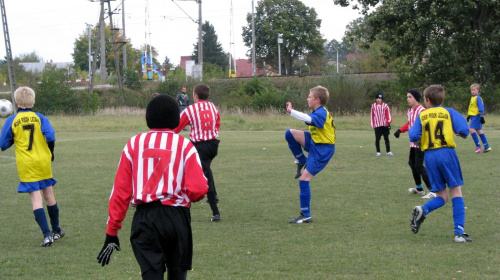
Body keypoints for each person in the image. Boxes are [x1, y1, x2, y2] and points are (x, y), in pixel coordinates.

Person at [97, 95, 208, 279]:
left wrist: (112, 230)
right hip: (176, 217)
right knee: (178, 273)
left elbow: (120, 191)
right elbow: (198, 189)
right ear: (175, 119)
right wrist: (189, 196)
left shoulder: (133, 144)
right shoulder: (185, 145)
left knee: (151, 275)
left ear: (148, 118)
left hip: (145, 218)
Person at [0, 86, 65, 247]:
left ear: (16, 102)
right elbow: (50, 136)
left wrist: (14, 139)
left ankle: (47, 235)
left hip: (27, 163)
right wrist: (51, 152)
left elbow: (3, 144)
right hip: (43, 161)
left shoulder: (12, 120)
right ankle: (56, 230)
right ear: (33, 101)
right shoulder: (40, 117)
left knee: (36, 199)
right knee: (49, 195)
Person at [408, 85, 471, 243]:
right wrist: (458, 132)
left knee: (441, 195)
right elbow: (464, 130)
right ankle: (459, 232)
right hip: (447, 153)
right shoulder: (448, 112)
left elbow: (413, 135)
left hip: (429, 156)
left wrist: (424, 139)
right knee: (455, 191)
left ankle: (423, 209)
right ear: (441, 99)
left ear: (427, 100)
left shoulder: (422, 115)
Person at [285, 86, 336, 224]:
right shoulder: (318, 111)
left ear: (317, 100)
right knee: (290, 133)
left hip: (323, 150)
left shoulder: (321, 113)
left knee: (304, 179)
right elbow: (308, 118)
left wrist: (291, 111)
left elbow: (308, 118)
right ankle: (302, 161)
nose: (307, 98)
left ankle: (305, 215)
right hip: (315, 143)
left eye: (310, 96)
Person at [173, 84, 221, 222]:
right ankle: (214, 196)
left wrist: (167, 133)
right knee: (206, 169)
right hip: (213, 145)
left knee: (202, 176)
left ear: (195, 95)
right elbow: (217, 122)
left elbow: (177, 126)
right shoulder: (213, 107)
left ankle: (215, 212)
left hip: (199, 146)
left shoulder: (191, 109)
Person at [394, 89, 435, 199]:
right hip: (413, 143)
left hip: (420, 142)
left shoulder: (422, 111)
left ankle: (433, 190)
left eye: (410, 97)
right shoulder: (410, 111)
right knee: (412, 163)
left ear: (416, 98)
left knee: (418, 165)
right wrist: (400, 130)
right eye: (407, 97)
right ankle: (419, 188)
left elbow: (426, 125)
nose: (408, 99)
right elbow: (409, 124)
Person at [467, 83, 491, 153]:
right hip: (473, 116)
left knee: (471, 130)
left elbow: (481, 108)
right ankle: (487, 147)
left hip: (476, 116)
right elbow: (472, 108)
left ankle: (478, 147)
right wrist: (469, 116)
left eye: (474, 90)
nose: (473, 91)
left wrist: (481, 116)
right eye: (472, 90)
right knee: (479, 131)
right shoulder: (472, 98)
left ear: (478, 90)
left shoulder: (478, 98)